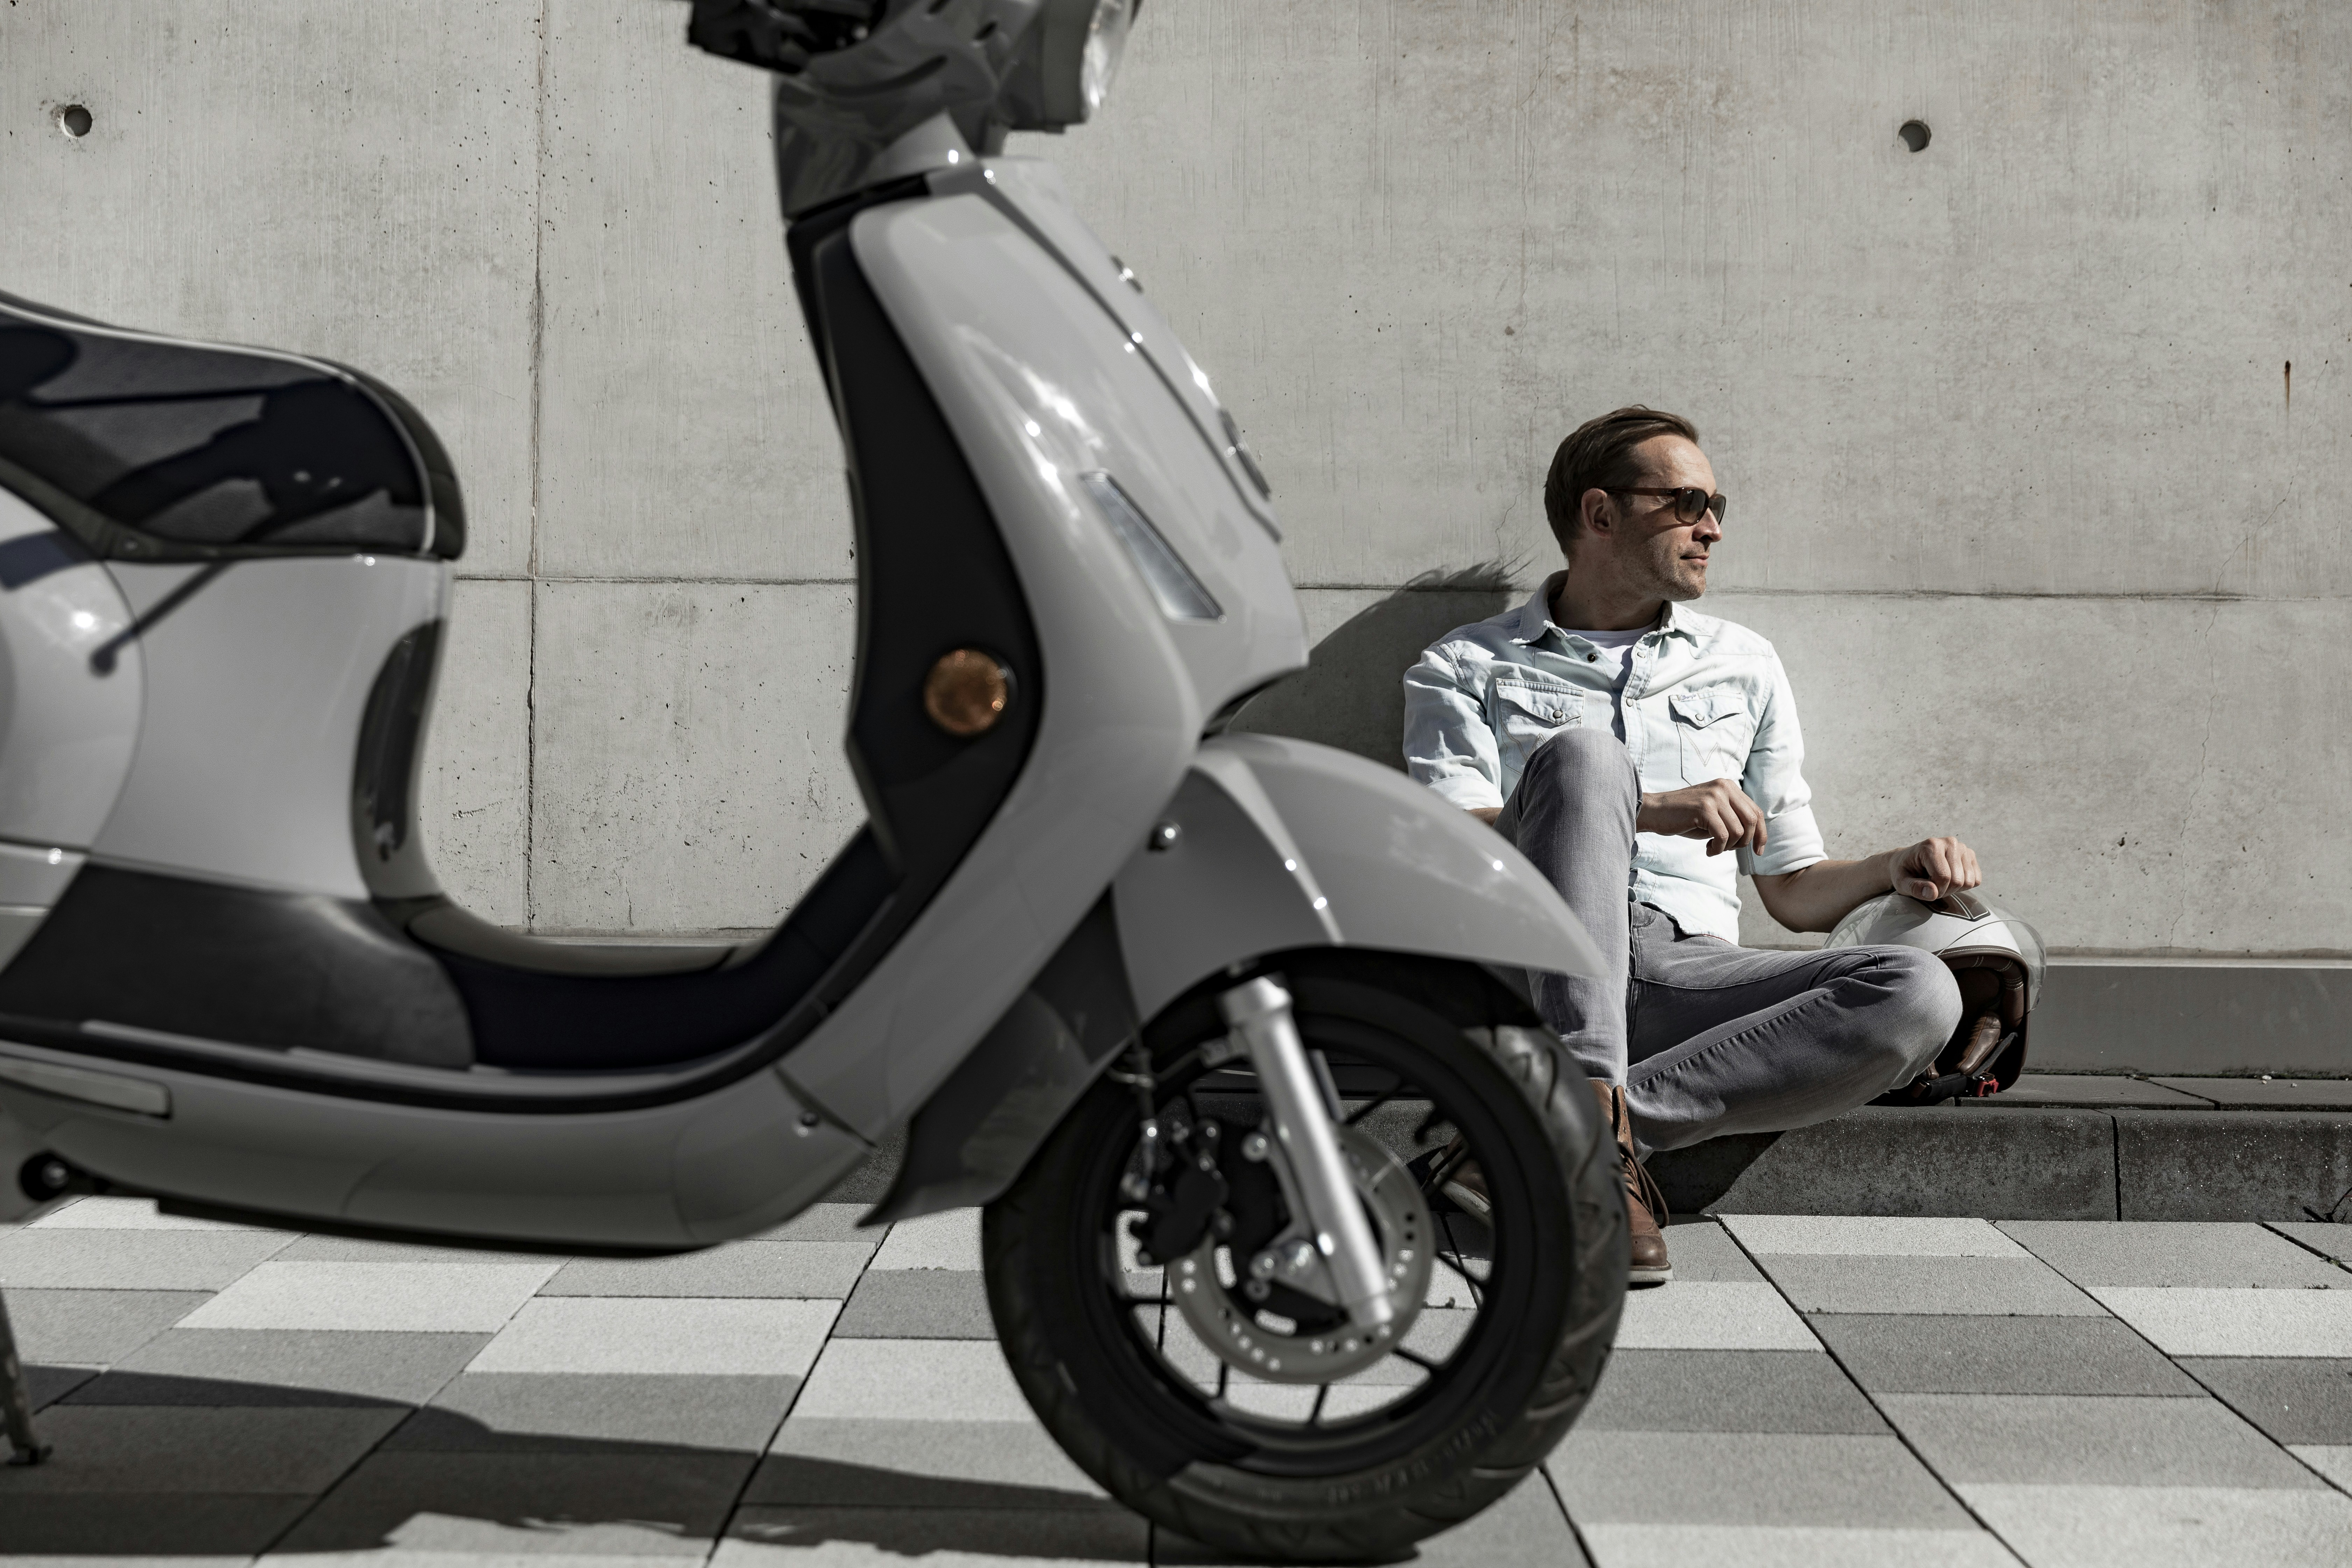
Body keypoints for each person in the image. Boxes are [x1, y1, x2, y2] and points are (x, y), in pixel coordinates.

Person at [1402, 406, 1975, 1285]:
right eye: (1687, 502)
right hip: (1528, 962)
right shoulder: (1465, 666)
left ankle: (1562, 1130)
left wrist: (1888, 867)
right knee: (1587, 758)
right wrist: (1648, 805)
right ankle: (1584, 1114)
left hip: (1685, 973)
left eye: (1717, 505)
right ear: (1601, 514)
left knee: (1921, 991)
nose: (1712, 527)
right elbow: (1445, 843)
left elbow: (1790, 887)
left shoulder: (1743, 663)